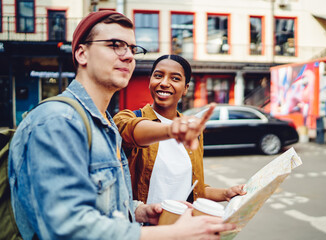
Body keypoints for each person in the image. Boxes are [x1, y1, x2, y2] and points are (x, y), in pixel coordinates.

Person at [8, 10, 235, 240]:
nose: (128, 56)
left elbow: (107, 204)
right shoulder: (58, 121)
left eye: (132, 48)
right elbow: (67, 228)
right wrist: (171, 234)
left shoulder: (104, 126)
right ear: (81, 53)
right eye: (115, 44)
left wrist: (137, 211)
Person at [113, 54, 246, 205]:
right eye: (158, 76)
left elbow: (194, 189)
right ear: (150, 81)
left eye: (175, 78)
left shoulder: (192, 132)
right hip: (144, 226)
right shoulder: (128, 117)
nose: (164, 83)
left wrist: (226, 193)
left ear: (185, 88)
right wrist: (172, 129)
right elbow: (128, 130)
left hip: (181, 225)